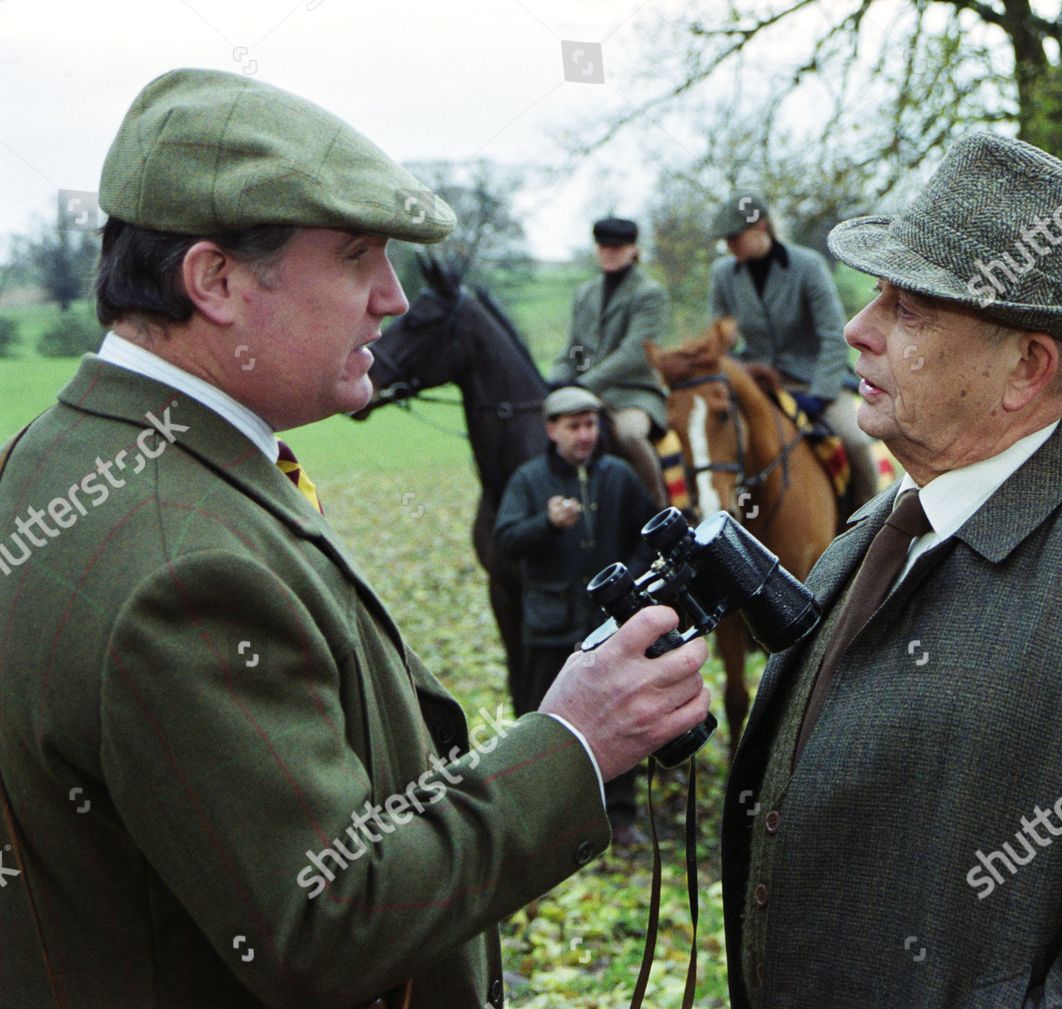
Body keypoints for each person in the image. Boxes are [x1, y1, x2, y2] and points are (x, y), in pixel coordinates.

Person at [0, 68, 709, 1009]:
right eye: (357, 257)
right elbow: (324, 918)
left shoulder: (51, 452)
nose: (392, 297)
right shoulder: (186, 564)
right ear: (214, 280)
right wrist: (573, 740)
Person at [720, 133, 1062, 1008]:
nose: (858, 330)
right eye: (876, 296)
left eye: (909, 311)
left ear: (1026, 367)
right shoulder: (871, 528)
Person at [494, 386, 659, 845]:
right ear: (552, 431)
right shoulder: (528, 481)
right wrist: (545, 524)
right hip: (549, 628)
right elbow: (505, 542)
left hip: (608, 628)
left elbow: (647, 537)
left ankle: (619, 817)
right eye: (574, 426)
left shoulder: (620, 477)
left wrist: (631, 580)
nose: (584, 435)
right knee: (543, 722)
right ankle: (545, 821)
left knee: (624, 715)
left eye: (590, 425)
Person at [709, 191, 879, 505]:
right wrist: (737, 373)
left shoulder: (808, 265)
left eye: (734, 237)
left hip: (813, 378)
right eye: (725, 240)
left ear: (760, 228)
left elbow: (832, 336)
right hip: (757, 380)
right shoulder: (722, 274)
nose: (729, 246)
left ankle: (871, 520)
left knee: (854, 441)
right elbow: (719, 343)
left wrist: (820, 394)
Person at [550, 217, 670, 507]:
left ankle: (658, 508)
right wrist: (555, 381)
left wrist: (583, 383)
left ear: (633, 249)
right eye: (604, 246)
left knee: (629, 435)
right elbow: (575, 349)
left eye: (618, 246)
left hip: (634, 395)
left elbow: (634, 353)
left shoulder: (649, 293)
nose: (609, 252)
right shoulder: (585, 293)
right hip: (587, 394)